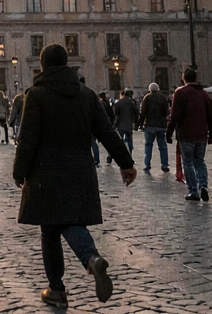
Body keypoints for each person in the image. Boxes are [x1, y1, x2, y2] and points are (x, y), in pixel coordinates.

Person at [14, 44, 136, 308]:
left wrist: (19, 171)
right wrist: (126, 163)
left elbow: (27, 138)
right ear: (67, 64)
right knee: (71, 220)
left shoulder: (36, 95)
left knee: (50, 229)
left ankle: (56, 289)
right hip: (80, 169)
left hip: (45, 171)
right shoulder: (88, 95)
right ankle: (91, 258)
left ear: (43, 65)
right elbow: (107, 132)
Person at [167, 68, 212, 201]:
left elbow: (174, 115)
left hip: (186, 133)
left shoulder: (180, 92)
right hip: (201, 134)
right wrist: (211, 134)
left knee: (188, 162)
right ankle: (203, 185)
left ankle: (193, 190)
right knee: (200, 161)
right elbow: (211, 115)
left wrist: (169, 132)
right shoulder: (204, 94)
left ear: (184, 79)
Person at [138, 83, 170, 173]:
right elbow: (166, 111)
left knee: (148, 145)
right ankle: (164, 164)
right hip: (161, 125)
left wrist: (140, 123)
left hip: (150, 125)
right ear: (158, 89)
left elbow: (143, 111)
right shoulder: (163, 98)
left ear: (150, 89)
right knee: (162, 146)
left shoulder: (147, 98)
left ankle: (147, 164)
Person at [109, 89, 139, 161]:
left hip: (120, 126)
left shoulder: (119, 103)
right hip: (129, 126)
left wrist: (114, 125)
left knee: (117, 143)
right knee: (130, 143)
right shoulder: (131, 103)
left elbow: (116, 115)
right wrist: (136, 125)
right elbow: (136, 113)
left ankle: (110, 157)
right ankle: (129, 157)